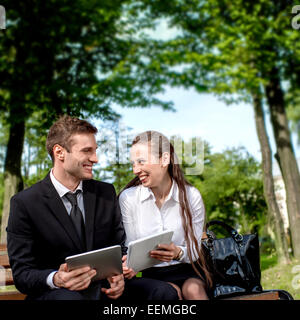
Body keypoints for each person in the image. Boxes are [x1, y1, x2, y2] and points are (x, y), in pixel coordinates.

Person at [7, 116, 178, 301]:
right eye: (87, 151)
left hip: (104, 289)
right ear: (60, 152)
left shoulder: (105, 192)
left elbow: (120, 248)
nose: (95, 159)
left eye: (95, 151)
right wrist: (57, 279)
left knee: (163, 293)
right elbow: (23, 274)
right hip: (56, 294)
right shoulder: (25, 203)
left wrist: (118, 275)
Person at [119, 131, 213, 300]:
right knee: (170, 293)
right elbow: (131, 245)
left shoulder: (191, 196)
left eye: (141, 162)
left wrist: (177, 253)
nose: (135, 170)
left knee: (193, 290)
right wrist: (130, 265)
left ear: (164, 159)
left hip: (189, 269)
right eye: (133, 164)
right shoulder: (129, 198)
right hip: (153, 276)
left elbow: (194, 250)